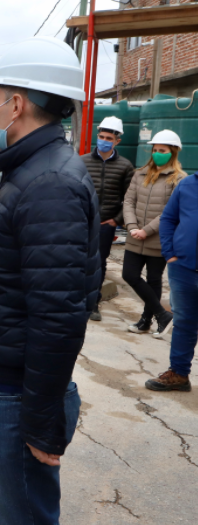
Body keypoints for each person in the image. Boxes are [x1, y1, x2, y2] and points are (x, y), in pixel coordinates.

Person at [0, 37, 99, 525]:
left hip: (17, 394)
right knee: (4, 505)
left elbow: (59, 315)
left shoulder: (50, 184)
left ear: (17, 105)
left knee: (21, 516)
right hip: (1, 379)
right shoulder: (34, 170)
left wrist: (41, 423)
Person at [122, 130, 185, 337]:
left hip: (159, 238)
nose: (157, 153)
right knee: (129, 275)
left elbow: (170, 211)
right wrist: (132, 227)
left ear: (172, 153)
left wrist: (146, 230)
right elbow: (129, 201)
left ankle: (146, 321)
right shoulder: (140, 174)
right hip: (134, 235)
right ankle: (162, 315)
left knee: (154, 279)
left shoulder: (179, 179)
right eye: (155, 150)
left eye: (163, 150)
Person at [149, 162, 198, 391]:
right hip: (184, 269)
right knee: (184, 322)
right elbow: (168, 218)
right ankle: (179, 374)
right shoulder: (187, 185)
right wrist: (169, 253)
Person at [81, 116, 134, 321]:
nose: (104, 141)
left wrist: (116, 220)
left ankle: (94, 302)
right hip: (82, 221)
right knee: (76, 260)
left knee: (98, 263)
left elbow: (130, 197)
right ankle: (76, 300)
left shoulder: (125, 166)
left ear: (117, 141)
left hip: (105, 224)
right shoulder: (82, 161)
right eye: (101, 136)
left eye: (109, 138)